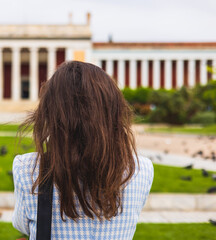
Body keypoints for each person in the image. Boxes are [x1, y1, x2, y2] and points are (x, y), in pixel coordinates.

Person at [12, 61, 154, 240]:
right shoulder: (141, 168)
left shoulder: (27, 168)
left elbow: (22, 224)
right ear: (113, 110)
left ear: (51, 111)